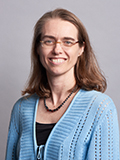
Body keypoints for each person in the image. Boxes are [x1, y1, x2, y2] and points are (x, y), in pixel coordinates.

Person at [5, 8, 119, 160]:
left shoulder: (100, 108)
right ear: (38, 48)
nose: (57, 49)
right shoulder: (21, 109)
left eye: (68, 42)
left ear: (81, 49)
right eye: (49, 41)